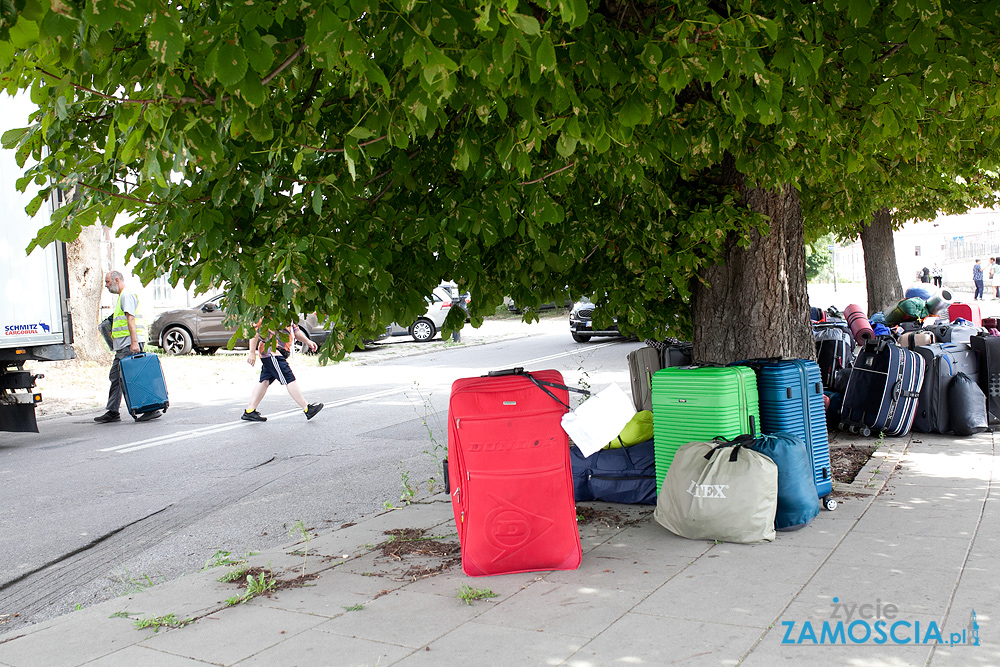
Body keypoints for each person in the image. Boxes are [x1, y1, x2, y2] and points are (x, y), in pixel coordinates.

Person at [94, 271, 161, 423]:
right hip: (123, 345)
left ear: (117, 280)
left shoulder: (126, 296)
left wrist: (134, 342)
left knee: (132, 377)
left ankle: (151, 408)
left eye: (107, 282)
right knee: (116, 377)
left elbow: (130, 319)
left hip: (129, 344)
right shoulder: (122, 297)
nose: (106, 285)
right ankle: (112, 411)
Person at [242, 320, 323, 422]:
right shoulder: (266, 310)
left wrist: (307, 341)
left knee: (265, 381)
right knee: (289, 378)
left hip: (278, 352)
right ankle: (307, 408)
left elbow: (295, 331)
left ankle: (250, 411)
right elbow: (254, 331)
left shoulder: (287, 313)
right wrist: (251, 352)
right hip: (271, 352)